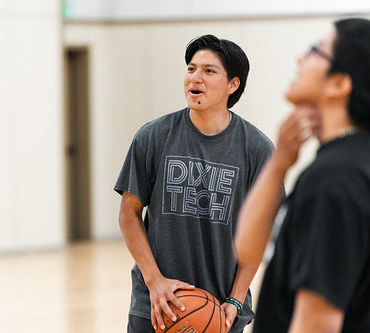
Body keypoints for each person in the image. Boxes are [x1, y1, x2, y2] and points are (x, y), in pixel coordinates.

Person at [114, 34, 274, 333]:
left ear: (232, 84)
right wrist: (155, 282)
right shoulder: (153, 137)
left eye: (208, 71)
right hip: (154, 305)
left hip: (221, 310)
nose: (194, 78)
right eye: (190, 68)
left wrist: (236, 300)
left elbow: (260, 232)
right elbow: (129, 214)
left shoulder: (257, 149)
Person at [234, 18, 370, 333]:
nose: (299, 59)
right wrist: (279, 163)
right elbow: (247, 249)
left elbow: (319, 323)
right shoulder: (345, 164)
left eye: (314, 52)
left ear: (339, 84)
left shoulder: (335, 178)